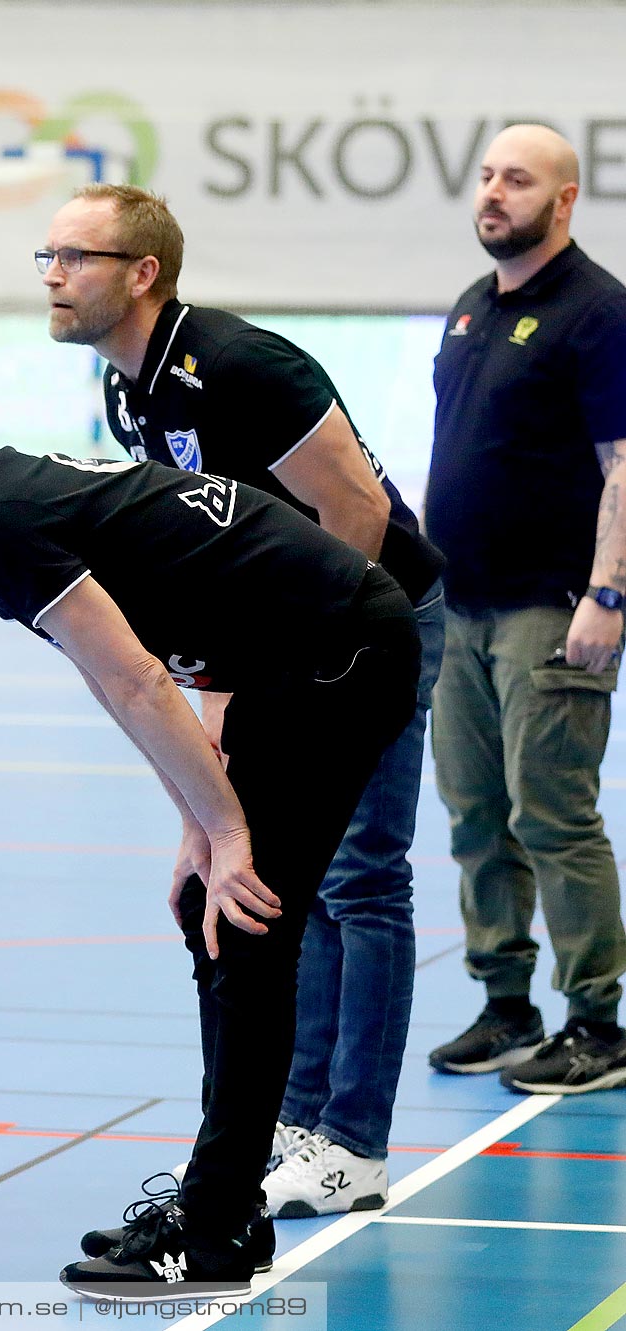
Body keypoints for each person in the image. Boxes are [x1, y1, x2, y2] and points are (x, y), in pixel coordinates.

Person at [0, 343, 419, 1300]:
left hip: (343, 647)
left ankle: (217, 1223)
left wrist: (228, 834)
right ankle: (225, 1202)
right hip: (277, 653)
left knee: (249, 920)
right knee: (210, 912)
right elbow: (126, 667)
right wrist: (199, 822)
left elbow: (137, 680)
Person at [39, 183, 447, 1216]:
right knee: (277, 871)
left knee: (361, 872)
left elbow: (355, 505)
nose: (52, 275)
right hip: (283, 636)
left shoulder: (236, 364)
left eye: (75, 257)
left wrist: (299, 653)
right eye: (45, 255)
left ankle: (352, 1142)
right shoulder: (126, 390)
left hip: (377, 615)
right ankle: (290, 1123)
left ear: (143, 273)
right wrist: (218, 683)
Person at [424, 123, 626, 1095]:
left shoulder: (599, 312)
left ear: (566, 198)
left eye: (520, 179)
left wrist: (609, 592)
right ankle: (508, 1003)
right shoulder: (471, 306)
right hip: (461, 608)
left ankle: (597, 1021)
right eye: (489, 174)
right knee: (475, 816)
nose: (496, 192)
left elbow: (624, 461)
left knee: (554, 815)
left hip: (551, 610)